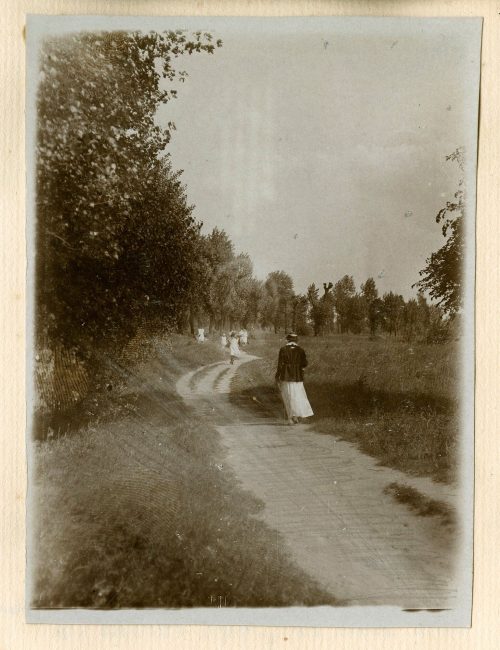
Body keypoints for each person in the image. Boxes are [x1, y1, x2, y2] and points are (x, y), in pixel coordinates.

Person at [275, 332, 313, 424]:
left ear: (287, 340)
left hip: (286, 375)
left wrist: (277, 375)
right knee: (297, 395)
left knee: (288, 396)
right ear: (296, 340)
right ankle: (295, 416)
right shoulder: (300, 350)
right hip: (297, 376)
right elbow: (305, 364)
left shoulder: (283, 349)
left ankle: (290, 418)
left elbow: (280, 364)